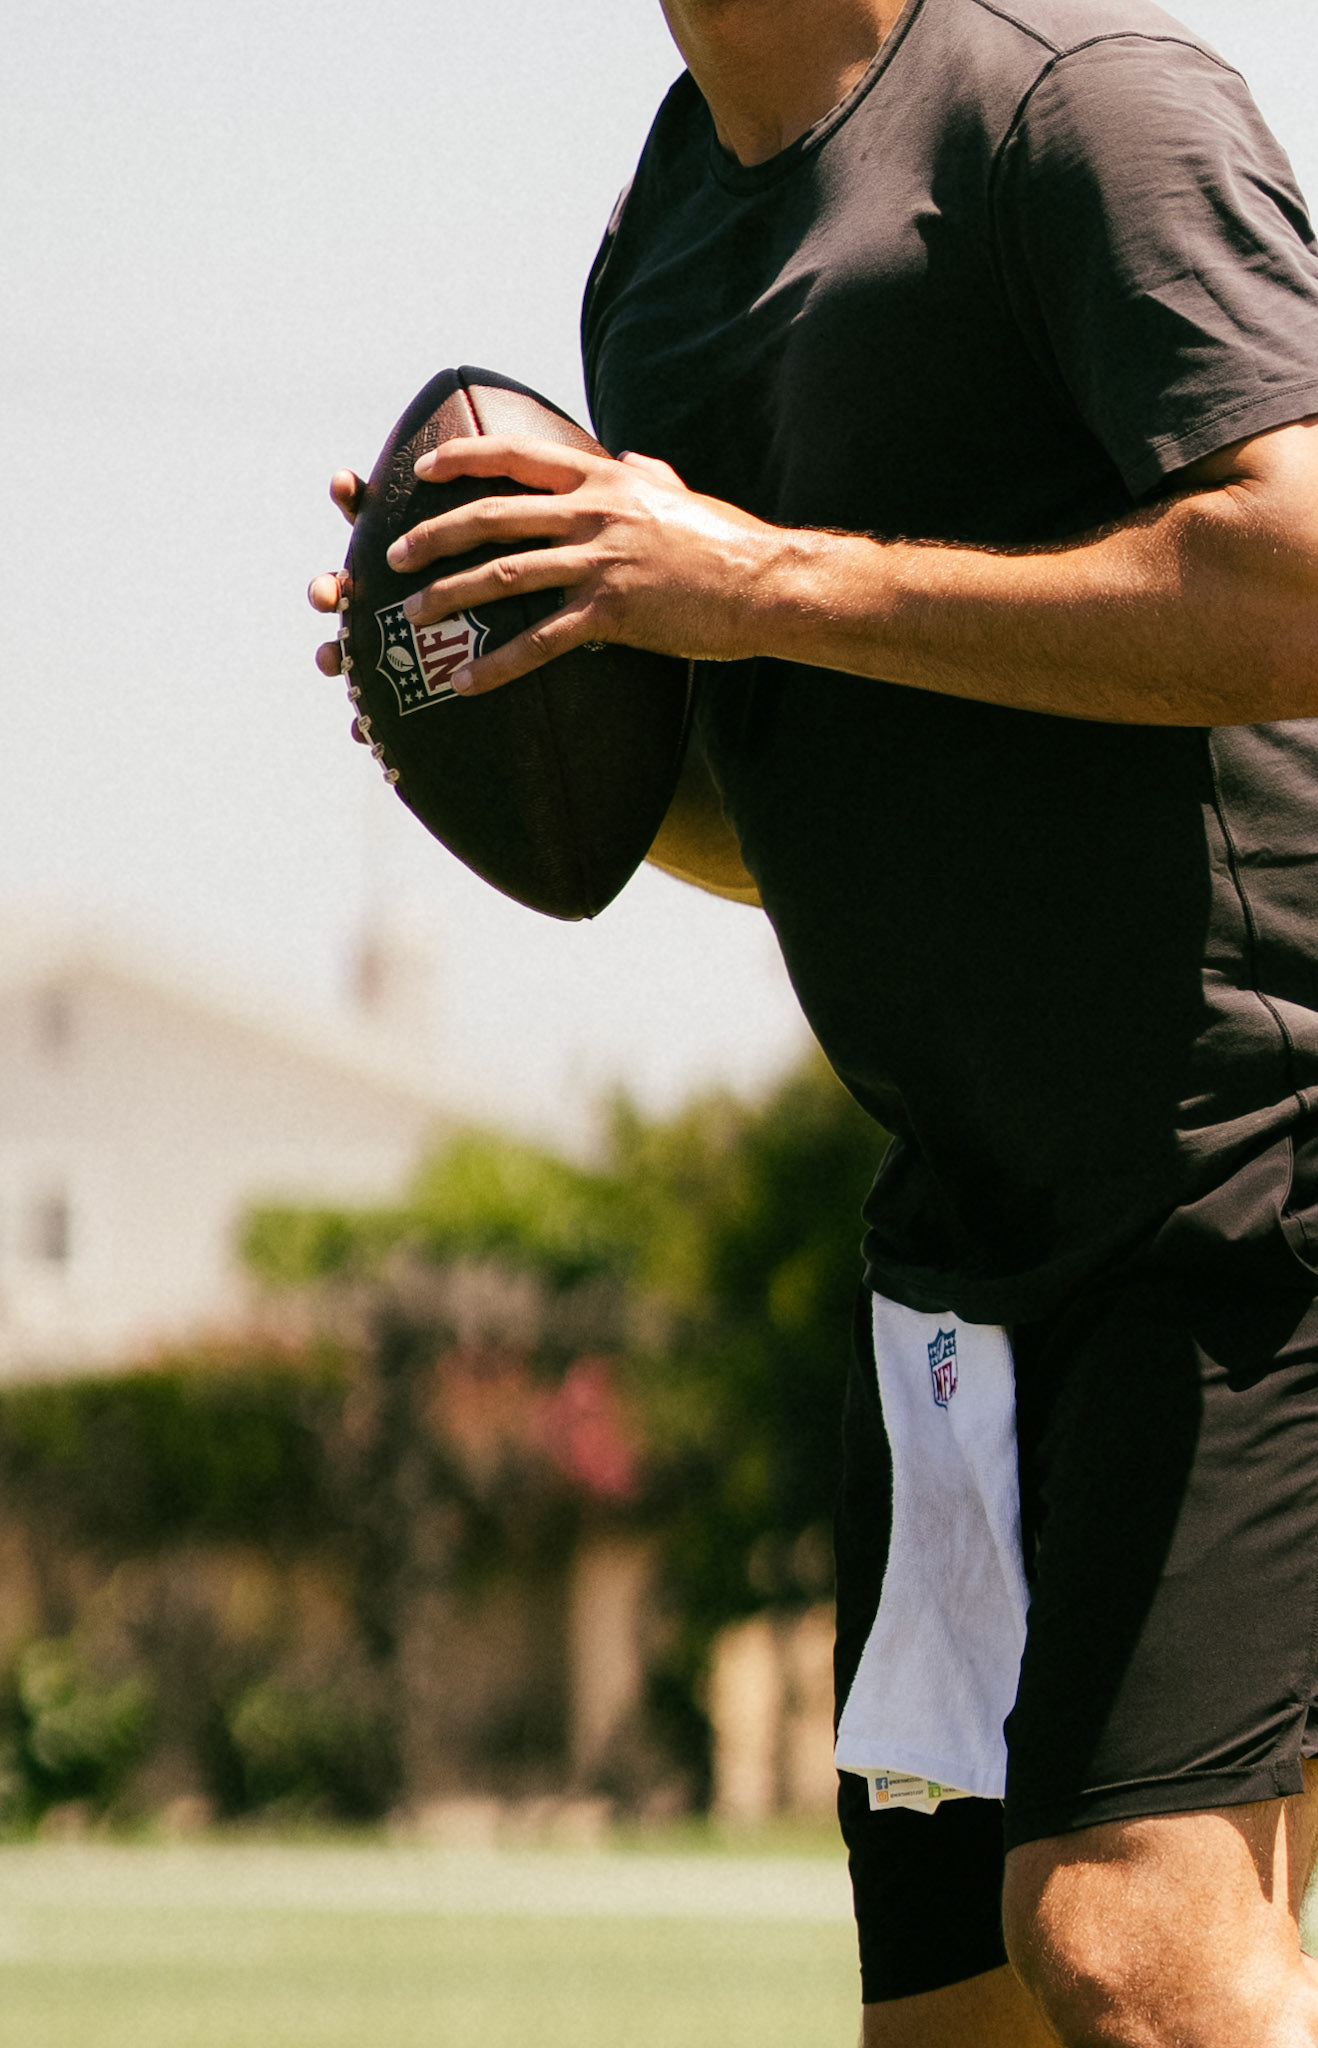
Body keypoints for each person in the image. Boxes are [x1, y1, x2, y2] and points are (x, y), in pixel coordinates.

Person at [310, 1, 1318, 2040]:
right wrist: (521, 694)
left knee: (1132, 1949)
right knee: (953, 2016)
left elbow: (1296, 581)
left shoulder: (1084, 112)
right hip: (959, 1257)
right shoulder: (661, 242)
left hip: (1241, 1169)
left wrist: (757, 577)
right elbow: (806, 816)